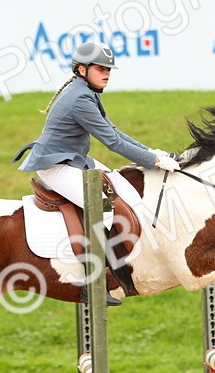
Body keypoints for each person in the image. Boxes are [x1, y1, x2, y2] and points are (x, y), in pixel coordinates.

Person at [12, 41, 180, 305]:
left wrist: (152, 153)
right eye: (101, 69)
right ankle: (92, 282)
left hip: (76, 160)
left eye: (109, 70)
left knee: (123, 187)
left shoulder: (86, 92)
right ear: (81, 69)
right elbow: (112, 143)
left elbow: (115, 133)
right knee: (103, 208)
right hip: (56, 166)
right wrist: (154, 160)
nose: (106, 74)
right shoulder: (80, 98)